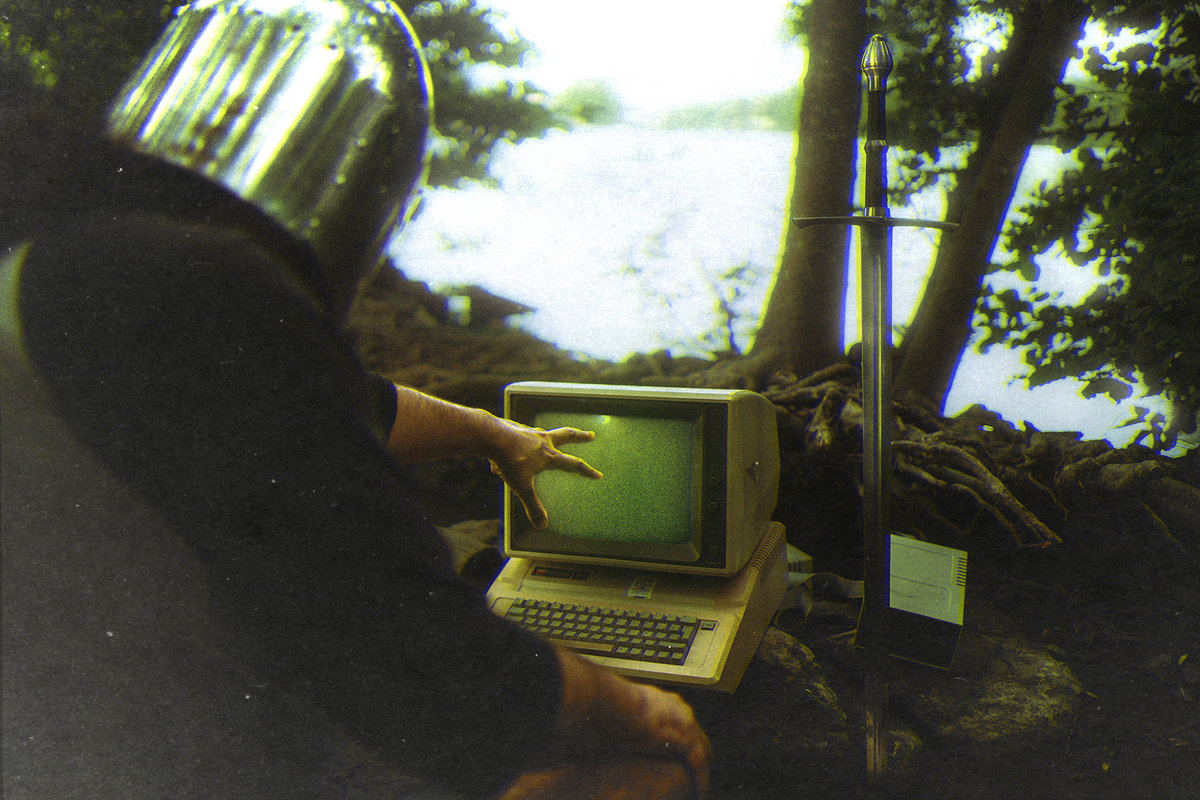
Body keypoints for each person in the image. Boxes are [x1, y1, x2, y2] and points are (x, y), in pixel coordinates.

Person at [0, 1, 709, 797]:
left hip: (61, 738)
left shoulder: (52, 264)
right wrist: (636, 705)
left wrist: (490, 433)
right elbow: (428, 668)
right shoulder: (189, 283)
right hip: (155, 766)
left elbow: (336, 410)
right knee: (651, 772)